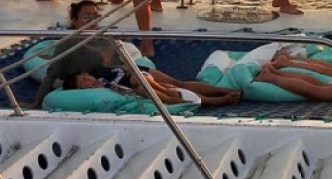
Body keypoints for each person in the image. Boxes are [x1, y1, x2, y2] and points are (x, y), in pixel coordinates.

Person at [32, 0, 121, 107]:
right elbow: (51, 75)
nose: (93, 20)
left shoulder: (106, 40)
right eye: (87, 16)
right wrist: (36, 102)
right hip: (80, 80)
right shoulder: (67, 43)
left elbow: (119, 66)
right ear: (74, 20)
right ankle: (51, 57)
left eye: (96, 16)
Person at [64, 65, 242, 108]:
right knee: (142, 87)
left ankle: (227, 91)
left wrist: (128, 67)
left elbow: (121, 66)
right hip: (140, 84)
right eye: (84, 83)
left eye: (86, 77)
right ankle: (215, 101)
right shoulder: (99, 92)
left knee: (177, 83)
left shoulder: (99, 72)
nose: (89, 80)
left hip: (139, 73)